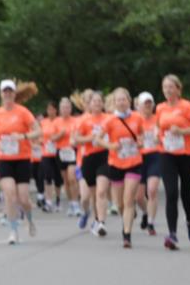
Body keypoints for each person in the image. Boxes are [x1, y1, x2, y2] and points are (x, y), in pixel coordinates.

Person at [156, 74, 190, 250]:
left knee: (186, 195)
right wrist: (157, 136)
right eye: (165, 87)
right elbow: (157, 126)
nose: (167, 90)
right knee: (171, 193)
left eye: (170, 87)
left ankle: (189, 221)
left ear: (178, 89)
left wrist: (183, 131)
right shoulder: (160, 108)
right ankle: (172, 234)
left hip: (187, 154)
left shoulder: (187, 106)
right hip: (166, 153)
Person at [0, 79, 41, 244]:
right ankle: (13, 231)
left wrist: (23, 136)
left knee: (24, 199)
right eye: (5, 91)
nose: (8, 94)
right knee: (10, 195)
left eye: (10, 91)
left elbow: (38, 131)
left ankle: (30, 220)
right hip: (4, 159)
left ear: (14, 94)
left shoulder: (23, 112)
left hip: (22, 159)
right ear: (1, 94)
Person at [96, 88, 144, 248]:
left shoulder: (137, 118)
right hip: (116, 163)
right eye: (118, 100)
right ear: (114, 102)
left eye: (124, 99)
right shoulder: (110, 120)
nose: (121, 102)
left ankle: (127, 234)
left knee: (129, 199)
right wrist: (110, 145)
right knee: (120, 203)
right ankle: (127, 217)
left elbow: (142, 135)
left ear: (129, 101)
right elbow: (98, 139)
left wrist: (140, 143)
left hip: (134, 162)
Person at [72, 90, 111, 236]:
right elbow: (75, 140)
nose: (97, 104)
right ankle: (89, 214)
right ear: (89, 104)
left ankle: (101, 222)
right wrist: (91, 138)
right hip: (87, 159)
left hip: (104, 156)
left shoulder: (109, 119)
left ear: (103, 103)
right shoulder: (83, 120)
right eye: (94, 101)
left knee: (101, 191)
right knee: (88, 196)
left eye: (99, 101)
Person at [135, 92, 161, 236]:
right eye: (145, 103)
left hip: (155, 156)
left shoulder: (158, 120)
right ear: (139, 105)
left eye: (150, 103)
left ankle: (151, 222)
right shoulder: (134, 120)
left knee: (152, 190)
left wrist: (159, 139)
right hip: (138, 158)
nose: (148, 106)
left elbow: (163, 135)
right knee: (138, 197)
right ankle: (145, 212)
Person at [51, 97, 81, 216]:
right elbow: (52, 138)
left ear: (70, 109)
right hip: (61, 152)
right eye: (63, 107)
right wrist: (60, 134)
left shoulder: (76, 121)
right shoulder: (56, 122)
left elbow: (80, 135)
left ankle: (76, 203)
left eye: (67, 107)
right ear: (59, 109)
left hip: (73, 151)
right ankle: (71, 204)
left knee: (72, 177)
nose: (65, 109)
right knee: (66, 180)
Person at [39, 102, 63, 213]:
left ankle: (58, 200)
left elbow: (64, 133)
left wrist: (56, 138)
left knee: (58, 178)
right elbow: (39, 136)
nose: (50, 111)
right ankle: (49, 200)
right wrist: (42, 141)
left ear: (56, 110)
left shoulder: (59, 121)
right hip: (46, 152)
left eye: (52, 109)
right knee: (47, 176)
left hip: (58, 152)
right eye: (48, 109)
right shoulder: (43, 122)